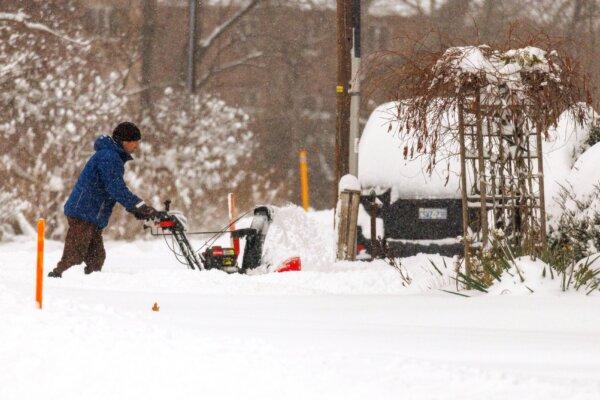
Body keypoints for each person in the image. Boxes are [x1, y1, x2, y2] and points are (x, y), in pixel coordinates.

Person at [47, 122, 157, 278]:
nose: (137, 146)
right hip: (84, 212)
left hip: (91, 215)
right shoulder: (109, 157)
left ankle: (92, 287)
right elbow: (115, 188)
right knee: (74, 255)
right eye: (136, 141)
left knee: (96, 259)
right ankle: (56, 278)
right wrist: (138, 206)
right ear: (125, 141)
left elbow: (113, 188)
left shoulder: (111, 155)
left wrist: (137, 207)